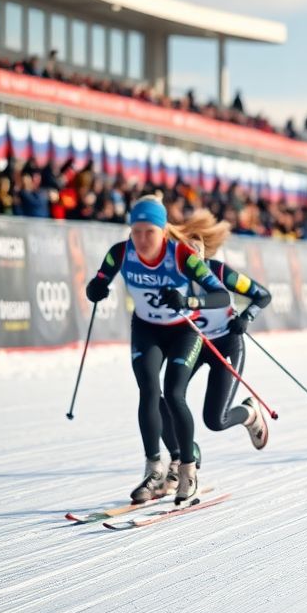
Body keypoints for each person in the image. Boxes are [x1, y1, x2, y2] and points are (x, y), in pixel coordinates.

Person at [85, 196, 231, 504]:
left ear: (162, 231)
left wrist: (190, 301)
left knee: (174, 393)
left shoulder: (181, 256)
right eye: (136, 231)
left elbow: (220, 296)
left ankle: (188, 470)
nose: (141, 239)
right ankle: (154, 469)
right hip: (147, 329)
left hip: (183, 331)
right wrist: (95, 289)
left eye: (148, 232)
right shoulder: (121, 253)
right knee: (149, 391)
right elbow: (98, 281)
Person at [158, 211, 273, 469]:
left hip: (227, 343)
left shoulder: (218, 272)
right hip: (195, 344)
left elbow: (262, 295)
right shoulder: (172, 279)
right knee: (168, 397)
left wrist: (246, 317)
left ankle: (250, 414)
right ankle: (184, 454)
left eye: (195, 250)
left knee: (215, 420)